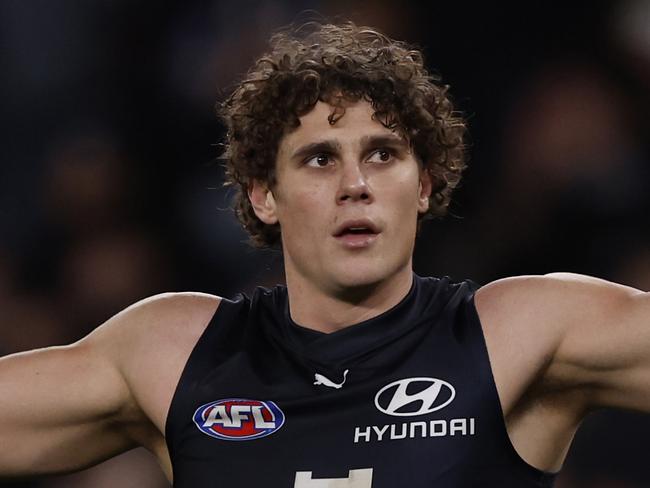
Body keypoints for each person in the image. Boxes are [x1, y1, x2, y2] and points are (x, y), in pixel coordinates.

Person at [1, 20, 648, 488]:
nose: (355, 184)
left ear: (423, 186)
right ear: (264, 196)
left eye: (383, 154)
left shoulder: (521, 332)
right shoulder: (176, 355)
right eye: (319, 159)